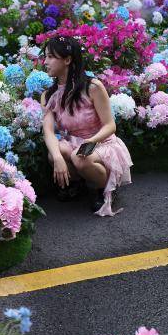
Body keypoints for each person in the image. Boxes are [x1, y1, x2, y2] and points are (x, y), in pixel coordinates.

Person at [40, 35, 133, 216]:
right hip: (75, 142)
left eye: (51, 57)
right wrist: (58, 157)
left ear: (67, 60)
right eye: (45, 57)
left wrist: (91, 141)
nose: (45, 62)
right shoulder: (49, 95)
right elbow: (48, 131)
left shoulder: (93, 87)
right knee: (55, 154)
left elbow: (110, 125)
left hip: (101, 142)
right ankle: (79, 184)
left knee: (80, 157)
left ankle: (105, 188)